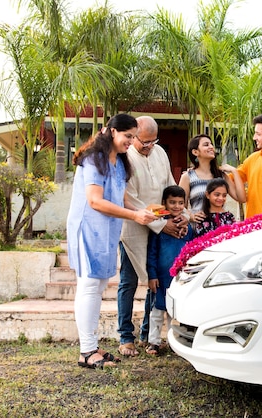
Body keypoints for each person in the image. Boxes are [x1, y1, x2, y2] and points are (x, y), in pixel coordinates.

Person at [66, 114, 158, 370]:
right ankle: (86, 351)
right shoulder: (94, 159)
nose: (131, 141)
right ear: (112, 131)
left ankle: (92, 347)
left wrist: (144, 212)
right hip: (88, 229)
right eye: (128, 136)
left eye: (133, 137)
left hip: (107, 232)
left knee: (99, 286)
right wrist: (134, 215)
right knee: (88, 285)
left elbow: (120, 197)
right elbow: (95, 200)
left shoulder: (119, 161)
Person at [118, 115, 189, 357]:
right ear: (134, 135)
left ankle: (148, 336)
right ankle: (125, 336)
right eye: (143, 141)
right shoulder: (125, 156)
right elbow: (131, 199)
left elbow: (169, 185)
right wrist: (161, 224)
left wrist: (181, 216)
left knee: (154, 282)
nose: (148, 146)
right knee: (128, 283)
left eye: (152, 141)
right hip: (133, 228)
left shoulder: (160, 152)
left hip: (161, 228)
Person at [145, 185, 194, 355]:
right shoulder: (160, 228)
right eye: (172, 202)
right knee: (157, 311)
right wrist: (152, 275)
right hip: (161, 277)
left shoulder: (188, 229)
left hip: (179, 279)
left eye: (181, 203)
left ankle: (174, 342)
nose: (176, 206)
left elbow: (192, 250)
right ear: (164, 203)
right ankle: (154, 342)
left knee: (175, 313)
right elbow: (151, 253)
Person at [178, 134, 245, 225]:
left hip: (220, 227)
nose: (211, 147)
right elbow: (180, 206)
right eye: (206, 145)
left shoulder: (221, 175)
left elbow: (241, 198)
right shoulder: (188, 176)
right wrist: (191, 216)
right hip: (198, 228)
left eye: (211, 144)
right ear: (195, 152)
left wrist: (234, 171)